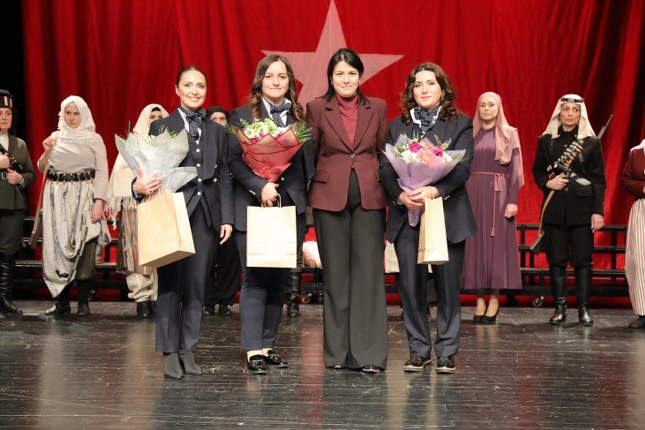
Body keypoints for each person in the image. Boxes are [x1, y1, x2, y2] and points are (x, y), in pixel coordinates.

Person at [133, 66, 234, 379]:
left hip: (205, 215)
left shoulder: (217, 130)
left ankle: (187, 348)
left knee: (197, 285)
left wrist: (227, 217)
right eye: (188, 85)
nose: (194, 91)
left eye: (200, 86)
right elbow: (146, 171)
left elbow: (225, 176)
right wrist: (139, 188)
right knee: (170, 284)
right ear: (176, 89)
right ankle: (168, 350)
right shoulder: (161, 126)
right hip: (172, 212)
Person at [380, 62, 475, 374]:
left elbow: (462, 168)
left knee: (447, 287)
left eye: (430, 83)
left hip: (446, 214)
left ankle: (446, 351)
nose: (423, 89)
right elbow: (385, 168)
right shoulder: (398, 126)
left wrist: (434, 190)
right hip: (406, 214)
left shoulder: (460, 124)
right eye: (418, 84)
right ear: (411, 91)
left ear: (443, 90)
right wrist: (400, 195)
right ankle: (419, 350)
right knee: (411, 288)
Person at [228, 55, 313, 374]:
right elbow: (233, 162)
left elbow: (307, 167)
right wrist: (260, 185)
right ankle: (253, 350)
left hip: (289, 208)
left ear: (290, 82)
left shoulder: (300, 119)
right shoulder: (240, 116)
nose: (276, 82)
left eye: (282, 76)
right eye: (270, 76)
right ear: (259, 81)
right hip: (251, 206)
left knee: (280, 279)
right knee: (254, 278)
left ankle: (267, 345)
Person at [306, 48, 388, 374]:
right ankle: (337, 353)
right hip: (328, 199)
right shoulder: (316, 107)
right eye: (339, 73)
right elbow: (310, 153)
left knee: (368, 275)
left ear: (360, 76)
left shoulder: (377, 107)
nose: (345, 79)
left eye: (351, 73)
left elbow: (383, 152)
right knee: (336, 276)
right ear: (330, 77)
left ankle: (368, 355)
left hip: (370, 198)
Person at [532, 94, 606, 326]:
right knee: (556, 260)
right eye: (566, 109)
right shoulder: (546, 141)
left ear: (581, 113)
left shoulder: (591, 142)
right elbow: (538, 171)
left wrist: (598, 211)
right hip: (554, 208)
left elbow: (598, 180)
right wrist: (548, 183)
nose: (570, 114)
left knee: (583, 261)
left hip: (583, 210)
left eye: (575, 110)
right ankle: (560, 308)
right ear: (559, 112)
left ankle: (583, 309)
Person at [38, 95, 110, 316]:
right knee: (59, 246)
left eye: (76, 113)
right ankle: (62, 302)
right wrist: (47, 150)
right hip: (57, 199)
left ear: (83, 114)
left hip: (85, 196)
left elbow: (102, 171)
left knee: (86, 243)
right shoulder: (56, 137)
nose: (71, 118)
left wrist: (99, 202)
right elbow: (42, 168)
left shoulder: (93, 139)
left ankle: (83, 302)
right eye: (68, 113)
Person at [460, 92, 524, 323]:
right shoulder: (470, 133)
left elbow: (515, 171)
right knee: (475, 245)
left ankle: (495, 298)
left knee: (497, 246)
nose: (487, 109)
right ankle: (479, 299)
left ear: (499, 108)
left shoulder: (509, 133)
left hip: (499, 193)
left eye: (491, 105)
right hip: (472, 192)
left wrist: (513, 200)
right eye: (482, 105)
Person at [107, 103, 168, 318]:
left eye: (160, 117)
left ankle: (157, 296)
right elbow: (121, 173)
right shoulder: (133, 143)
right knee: (137, 252)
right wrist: (139, 185)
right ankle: (142, 298)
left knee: (161, 251)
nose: (156, 120)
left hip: (161, 203)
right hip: (136, 204)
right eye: (152, 117)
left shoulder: (170, 143)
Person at [202, 106, 241, 317]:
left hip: (233, 204)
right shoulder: (202, 142)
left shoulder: (238, 142)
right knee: (207, 256)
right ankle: (207, 300)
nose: (218, 122)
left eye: (222, 118)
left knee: (230, 256)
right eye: (214, 119)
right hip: (208, 205)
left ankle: (226, 299)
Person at [0, 90, 36, 315]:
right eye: (0, 113)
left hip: (12, 204)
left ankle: (4, 298)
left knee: (8, 252)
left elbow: (31, 174)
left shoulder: (19, 144)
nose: (4, 117)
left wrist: (20, 178)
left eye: (8, 113)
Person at [621, 139, 645, 329]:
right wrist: (642, 188)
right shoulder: (636, 152)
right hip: (642, 208)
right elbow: (626, 180)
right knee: (639, 260)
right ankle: (643, 311)